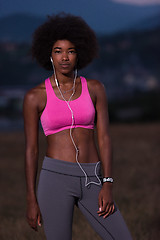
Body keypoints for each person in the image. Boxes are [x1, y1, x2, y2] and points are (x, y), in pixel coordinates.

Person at [23, 13, 132, 240]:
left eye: (70, 51)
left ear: (79, 53)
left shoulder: (95, 88)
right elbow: (31, 150)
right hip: (54, 179)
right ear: (49, 55)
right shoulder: (35, 97)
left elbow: (105, 139)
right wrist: (31, 199)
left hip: (93, 178)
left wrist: (108, 183)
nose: (65, 57)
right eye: (58, 51)